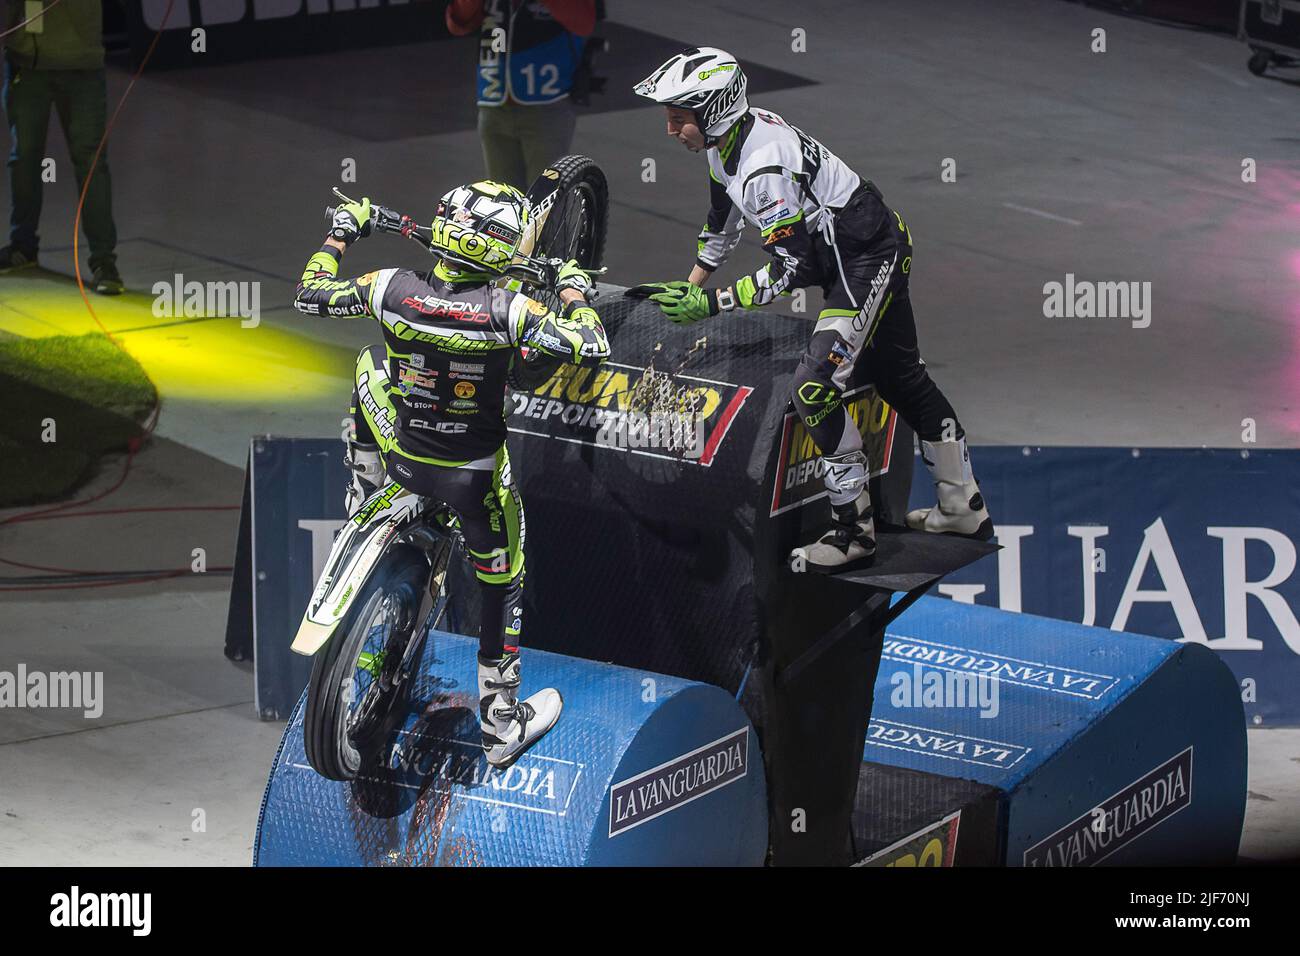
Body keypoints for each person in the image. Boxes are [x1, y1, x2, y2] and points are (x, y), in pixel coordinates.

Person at [629, 47, 993, 572]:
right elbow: (720, 222)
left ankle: (852, 533)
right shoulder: (725, 142)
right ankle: (962, 508)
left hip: (865, 257)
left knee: (814, 388)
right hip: (856, 247)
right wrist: (691, 284)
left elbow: (790, 269)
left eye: (678, 118)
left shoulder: (762, 169)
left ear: (714, 111)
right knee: (899, 376)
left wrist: (710, 303)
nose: (669, 130)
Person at [292, 180, 609, 767]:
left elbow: (311, 294)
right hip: (472, 478)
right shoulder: (511, 310)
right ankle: (500, 724)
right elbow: (590, 345)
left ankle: (365, 489)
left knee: (368, 368)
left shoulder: (388, 286)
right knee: (502, 580)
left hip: (404, 457)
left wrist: (344, 230)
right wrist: (572, 288)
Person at [1, 0, 123, 293]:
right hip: (25, 62)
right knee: (25, 158)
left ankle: (104, 261)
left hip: (81, 63)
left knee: (90, 162)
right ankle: (23, 245)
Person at [445, 0, 596, 190]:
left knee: (544, 203)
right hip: (493, 99)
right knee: (503, 206)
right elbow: (458, 24)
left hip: (546, 102)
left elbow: (584, 22)